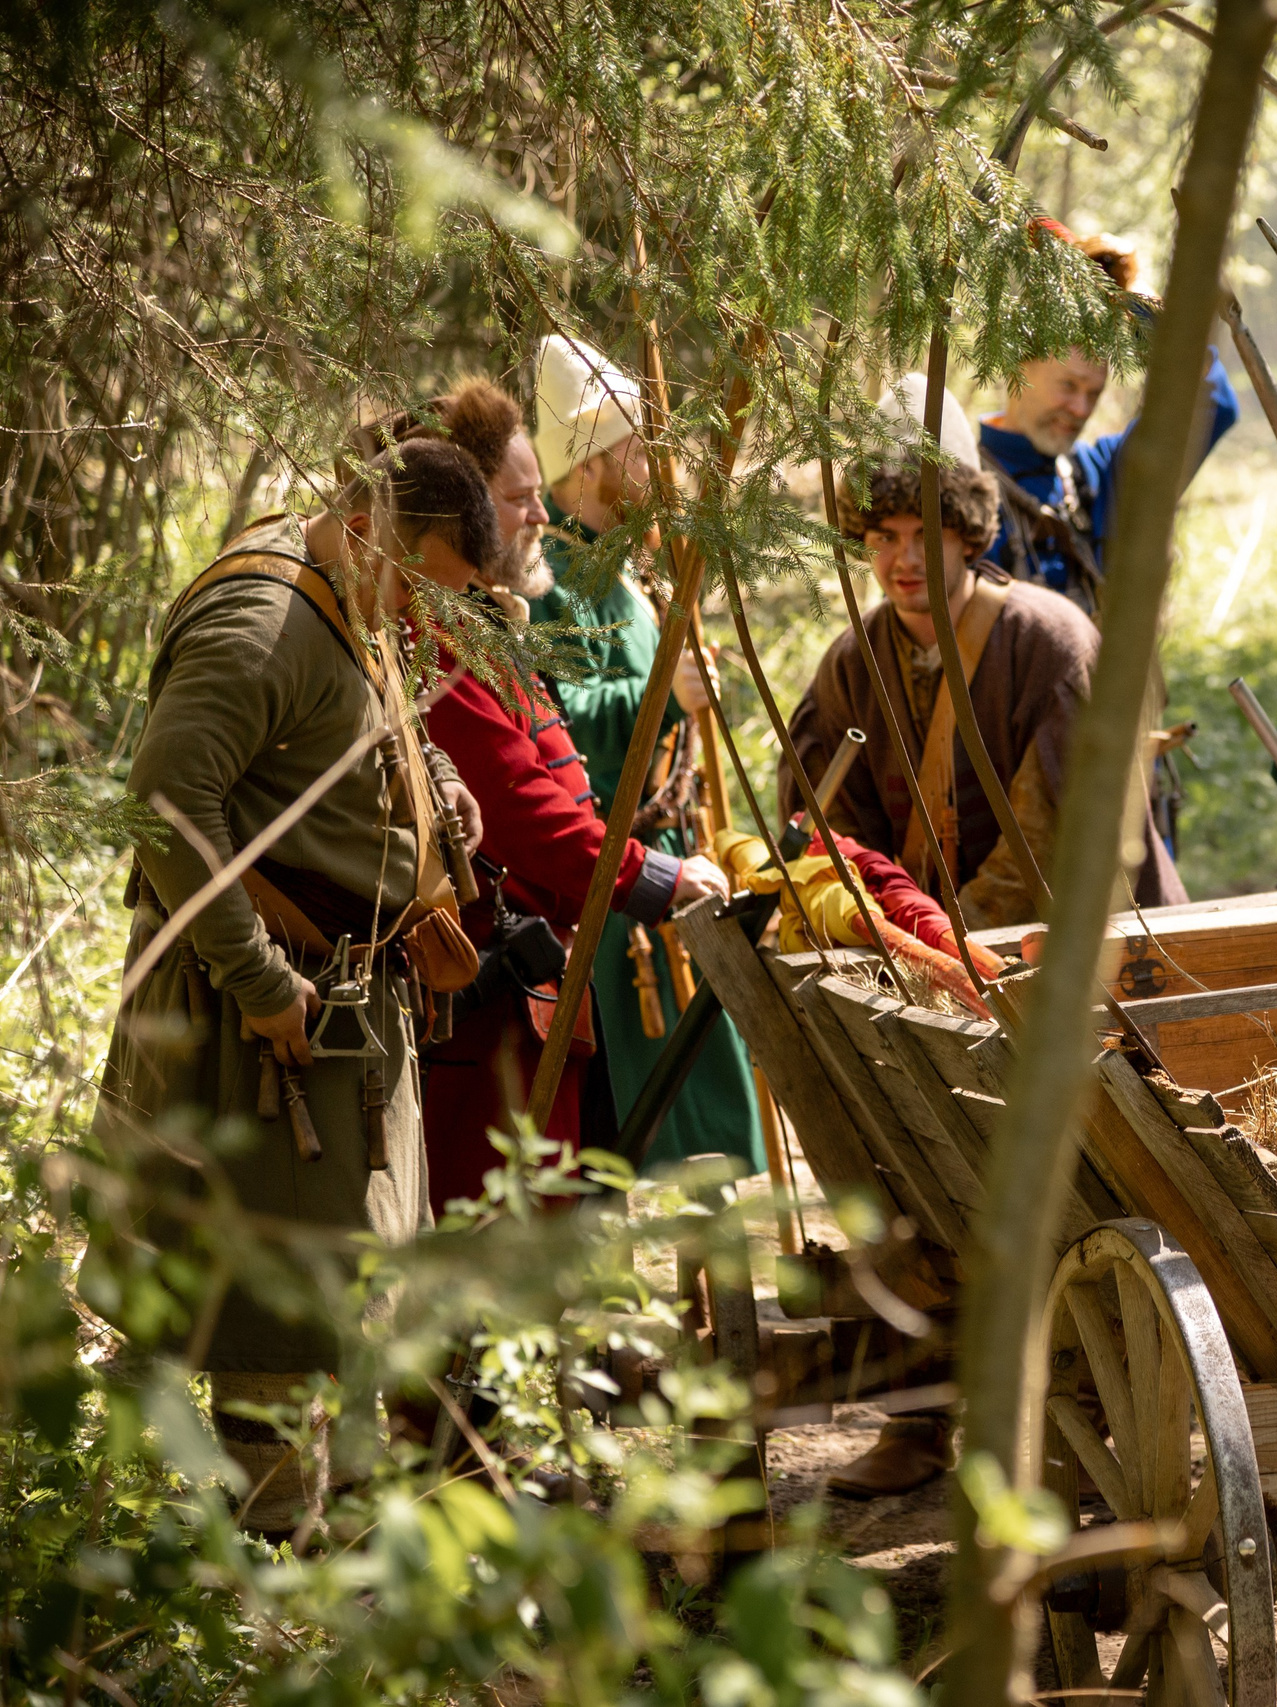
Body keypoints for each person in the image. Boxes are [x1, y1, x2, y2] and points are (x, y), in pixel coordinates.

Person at [97, 437, 491, 1527]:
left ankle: (331, 1521)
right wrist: (260, 979)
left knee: (334, 1285)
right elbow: (169, 804)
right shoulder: (261, 624)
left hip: (334, 997)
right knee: (269, 1300)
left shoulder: (348, 585)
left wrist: (438, 791)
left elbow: (380, 712)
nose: (420, 620)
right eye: (423, 587)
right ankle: (272, 1553)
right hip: (258, 1015)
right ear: (371, 527)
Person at [375, 380, 731, 1209]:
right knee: (498, 1225)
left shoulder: (480, 622)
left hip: (530, 995)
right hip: (481, 1003)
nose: (541, 517)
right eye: (520, 498)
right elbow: (521, 807)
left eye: (541, 495)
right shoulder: (433, 640)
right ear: (460, 507)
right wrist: (658, 878)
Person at [784, 375, 1185, 928]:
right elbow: (838, 837)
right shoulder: (850, 666)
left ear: (967, 535)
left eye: (925, 533)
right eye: (884, 536)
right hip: (931, 955)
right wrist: (895, 932)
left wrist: (949, 941)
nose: (904, 560)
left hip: (1087, 955)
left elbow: (1051, 841)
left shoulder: (1048, 642)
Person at [524, 334, 763, 1176]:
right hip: (610, 868)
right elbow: (556, 727)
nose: (653, 466)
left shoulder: (629, 571)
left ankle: (718, 1283)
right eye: (633, 448)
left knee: (707, 1093)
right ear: (587, 464)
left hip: (669, 846)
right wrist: (662, 693)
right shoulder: (550, 578)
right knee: (620, 1114)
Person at [976, 225, 1240, 612]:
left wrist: (1138, 313)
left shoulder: (1100, 476)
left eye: (1093, 393)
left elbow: (1212, 405)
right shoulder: (962, 481)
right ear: (1020, 364)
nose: (1081, 410)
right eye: (1068, 385)